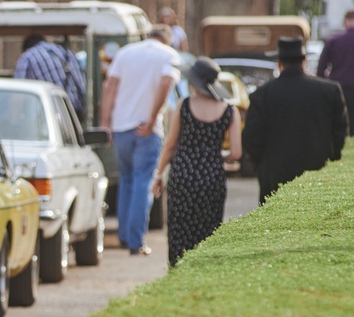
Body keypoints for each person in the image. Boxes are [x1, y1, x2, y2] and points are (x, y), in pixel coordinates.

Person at [99, 24, 181, 256]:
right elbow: (166, 83)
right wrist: (153, 116)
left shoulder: (126, 52)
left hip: (121, 126)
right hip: (147, 128)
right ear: (167, 40)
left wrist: (106, 122)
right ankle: (136, 241)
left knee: (126, 180)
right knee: (143, 181)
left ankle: (125, 235)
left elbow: (110, 86)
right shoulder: (168, 55)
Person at [151, 58, 241, 266]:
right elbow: (236, 153)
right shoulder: (230, 111)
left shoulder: (184, 106)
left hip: (182, 175)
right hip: (212, 177)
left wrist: (158, 174)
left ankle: (178, 273)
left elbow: (170, 146)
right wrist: (216, 155)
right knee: (209, 232)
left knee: (180, 231)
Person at [243, 37, 348, 204]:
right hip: (317, 173)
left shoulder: (262, 95)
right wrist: (332, 161)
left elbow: (251, 138)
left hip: (274, 175)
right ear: (304, 61)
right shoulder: (330, 90)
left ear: (279, 62)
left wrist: (262, 166)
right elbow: (340, 135)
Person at [14, 33, 88, 121]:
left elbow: (18, 95)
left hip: (49, 117)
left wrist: (13, 120)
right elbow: (82, 86)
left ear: (25, 48)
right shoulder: (67, 53)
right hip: (74, 115)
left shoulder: (27, 58)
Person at [316, 9, 354, 131]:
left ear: (346, 22)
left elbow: (321, 68)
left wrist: (324, 83)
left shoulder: (333, 41)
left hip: (338, 88)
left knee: (339, 126)